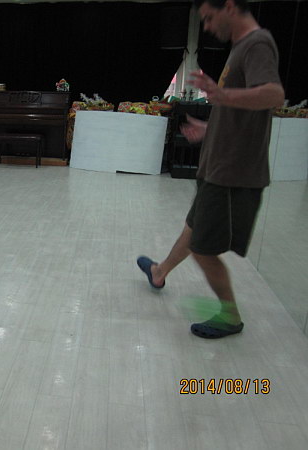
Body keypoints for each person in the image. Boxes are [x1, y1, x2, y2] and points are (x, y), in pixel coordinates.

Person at [136, 0, 284, 339]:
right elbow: (239, 112)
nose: (206, 27)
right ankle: (159, 272)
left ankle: (230, 317)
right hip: (219, 166)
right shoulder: (241, 47)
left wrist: (222, 96)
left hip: (233, 173)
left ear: (229, 6)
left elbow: (274, 95)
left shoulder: (257, 43)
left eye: (208, 17)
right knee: (193, 228)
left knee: (203, 248)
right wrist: (210, 129)